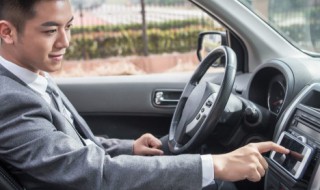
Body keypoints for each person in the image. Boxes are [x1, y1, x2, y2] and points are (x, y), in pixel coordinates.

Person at [0, 0, 289, 189]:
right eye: (51, 31)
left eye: (69, 26)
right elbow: (89, 173)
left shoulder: (31, 75)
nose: (65, 41)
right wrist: (216, 164)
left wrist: (129, 149)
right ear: (7, 32)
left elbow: (74, 146)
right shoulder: (10, 98)